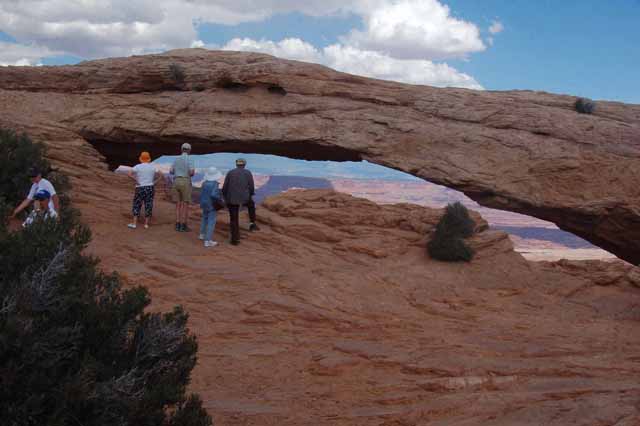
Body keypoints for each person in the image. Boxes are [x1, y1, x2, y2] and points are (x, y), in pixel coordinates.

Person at [222, 158, 259, 245]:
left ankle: (235, 239)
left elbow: (225, 187)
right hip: (244, 198)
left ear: (236, 164)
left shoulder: (230, 172)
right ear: (244, 165)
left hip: (232, 199)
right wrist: (250, 195)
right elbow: (251, 186)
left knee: (234, 219)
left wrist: (225, 197)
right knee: (251, 205)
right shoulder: (248, 173)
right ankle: (252, 224)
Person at [127, 151, 161, 229]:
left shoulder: (137, 166)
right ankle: (146, 224)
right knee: (148, 204)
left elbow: (129, 174)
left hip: (140, 187)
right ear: (149, 159)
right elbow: (161, 174)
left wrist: (136, 180)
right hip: (150, 187)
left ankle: (134, 223)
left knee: (137, 204)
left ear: (141, 159)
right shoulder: (152, 167)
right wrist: (155, 182)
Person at [170, 143, 195, 232]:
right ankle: (183, 225)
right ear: (189, 150)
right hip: (185, 181)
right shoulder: (190, 159)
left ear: (181, 149)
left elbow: (171, 171)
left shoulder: (176, 159)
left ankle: (177, 224)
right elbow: (192, 173)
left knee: (178, 204)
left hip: (176, 181)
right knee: (185, 204)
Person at [198, 166, 223, 248]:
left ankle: (202, 234)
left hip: (204, 203)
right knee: (211, 222)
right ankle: (208, 241)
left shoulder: (204, 183)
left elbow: (201, 194)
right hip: (211, 205)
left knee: (204, 218)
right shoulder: (215, 184)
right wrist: (220, 200)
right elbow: (214, 195)